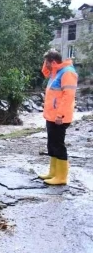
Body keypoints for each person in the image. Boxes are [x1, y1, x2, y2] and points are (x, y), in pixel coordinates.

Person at [38, 49, 78, 185]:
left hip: (60, 116)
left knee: (58, 145)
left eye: (47, 62)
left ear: (53, 62)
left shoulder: (68, 72)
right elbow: (45, 72)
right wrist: (48, 58)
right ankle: (53, 172)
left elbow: (68, 97)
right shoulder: (56, 71)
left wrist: (60, 114)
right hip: (51, 115)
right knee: (52, 144)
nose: (46, 65)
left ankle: (61, 177)